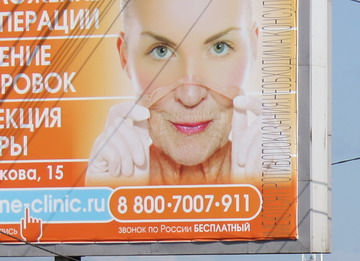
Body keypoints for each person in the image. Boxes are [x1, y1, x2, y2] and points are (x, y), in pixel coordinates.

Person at [86, 0, 261, 186]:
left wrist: (273, 199)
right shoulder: (104, 186)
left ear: (253, 48)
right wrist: (105, 204)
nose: (190, 96)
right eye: (161, 51)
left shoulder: (278, 173)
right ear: (125, 57)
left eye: (219, 47)